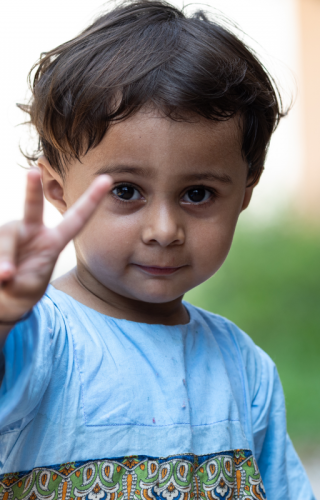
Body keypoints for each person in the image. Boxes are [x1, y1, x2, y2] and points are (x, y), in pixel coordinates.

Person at [0, 1, 315, 499]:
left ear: (244, 196)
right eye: (126, 191)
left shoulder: (243, 367)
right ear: (58, 190)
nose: (164, 230)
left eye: (198, 194)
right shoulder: (43, 339)